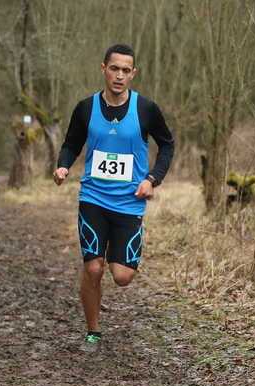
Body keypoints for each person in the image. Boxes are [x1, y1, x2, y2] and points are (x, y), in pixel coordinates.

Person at [53, 44, 174, 351]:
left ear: (133, 73)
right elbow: (71, 144)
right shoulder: (85, 108)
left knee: (122, 276)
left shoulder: (145, 109)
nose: (119, 75)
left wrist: (152, 179)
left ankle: (112, 251)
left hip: (129, 202)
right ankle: (93, 332)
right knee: (93, 268)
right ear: (103, 69)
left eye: (126, 70)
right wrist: (63, 165)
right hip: (93, 197)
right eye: (114, 69)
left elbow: (167, 145)